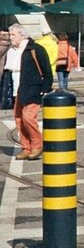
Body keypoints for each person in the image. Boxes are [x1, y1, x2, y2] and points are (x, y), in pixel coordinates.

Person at [10, 25, 53, 160]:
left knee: (28, 117)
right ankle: (26, 147)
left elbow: (47, 71)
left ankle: (37, 145)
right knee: (19, 119)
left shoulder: (35, 49)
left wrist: (45, 88)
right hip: (18, 89)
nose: (10, 37)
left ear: (22, 35)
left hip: (33, 88)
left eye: (13, 35)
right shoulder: (13, 50)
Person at [1, 28, 16, 110]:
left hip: (4, 68)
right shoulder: (11, 44)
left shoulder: (3, 43)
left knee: (5, 88)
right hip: (6, 68)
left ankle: (4, 104)